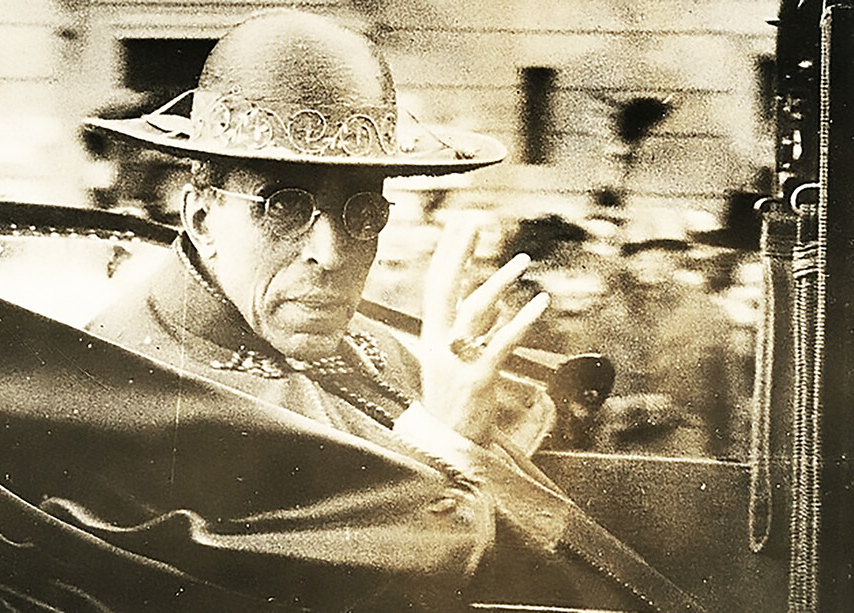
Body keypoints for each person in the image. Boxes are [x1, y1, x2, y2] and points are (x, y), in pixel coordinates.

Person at [82, 9, 703, 611]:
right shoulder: (128, 383)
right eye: (284, 207)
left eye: (362, 214)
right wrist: (449, 443)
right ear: (201, 217)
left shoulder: (376, 351)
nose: (330, 253)